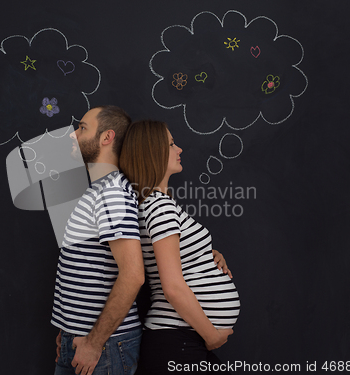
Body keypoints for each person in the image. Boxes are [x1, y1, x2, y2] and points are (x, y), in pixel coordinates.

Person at [52, 107, 231, 375]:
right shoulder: (106, 191)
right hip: (87, 340)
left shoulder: (113, 193)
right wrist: (71, 327)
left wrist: (94, 342)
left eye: (82, 127)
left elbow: (134, 275)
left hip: (105, 345)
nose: (72, 135)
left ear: (106, 137)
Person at [119, 120, 240, 374]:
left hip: (181, 340)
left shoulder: (156, 204)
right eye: (172, 144)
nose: (179, 149)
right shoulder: (160, 207)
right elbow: (172, 287)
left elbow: (171, 258)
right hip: (180, 341)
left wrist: (209, 255)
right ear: (153, 151)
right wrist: (212, 336)